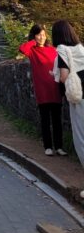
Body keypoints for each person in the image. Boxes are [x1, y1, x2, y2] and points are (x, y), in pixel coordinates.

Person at [18, 24, 64, 156]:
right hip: (42, 90)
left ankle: (59, 146)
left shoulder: (53, 50)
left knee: (57, 120)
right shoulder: (32, 51)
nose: (41, 37)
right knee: (45, 120)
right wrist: (33, 40)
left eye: (43, 34)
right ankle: (48, 146)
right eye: (38, 34)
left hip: (55, 88)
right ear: (34, 36)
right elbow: (22, 48)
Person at [52, 20, 84, 187]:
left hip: (78, 97)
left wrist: (55, 75)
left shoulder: (62, 51)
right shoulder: (81, 49)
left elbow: (64, 76)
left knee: (81, 139)